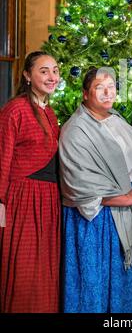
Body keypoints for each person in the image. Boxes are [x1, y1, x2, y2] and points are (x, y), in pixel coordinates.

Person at [59, 67, 132, 313]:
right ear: (86, 94)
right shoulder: (75, 130)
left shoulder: (117, 119)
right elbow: (80, 187)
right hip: (96, 221)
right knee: (94, 285)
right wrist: (128, 199)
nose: (108, 93)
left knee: (126, 286)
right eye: (100, 88)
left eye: (112, 87)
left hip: (128, 215)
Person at [0, 51, 61, 313]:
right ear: (27, 75)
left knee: (46, 270)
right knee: (26, 271)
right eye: (44, 71)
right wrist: (0, 201)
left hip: (50, 199)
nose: (52, 77)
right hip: (24, 198)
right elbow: (2, 158)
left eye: (55, 71)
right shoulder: (15, 109)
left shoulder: (50, 113)